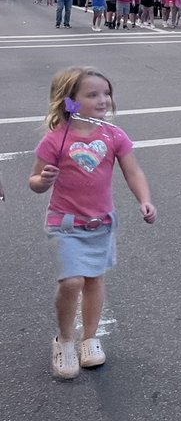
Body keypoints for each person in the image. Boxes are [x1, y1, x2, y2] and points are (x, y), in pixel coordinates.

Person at [28, 67, 156, 380]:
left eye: (106, 93)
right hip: (66, 223)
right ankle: (65, 339)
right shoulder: (55, 140)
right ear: (70, 101)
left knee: (94, 279)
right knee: (72, 281)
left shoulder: (114, 135)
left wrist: (144, 199)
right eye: (92, 94)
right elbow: (34, 181)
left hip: (100, 222)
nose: (103, 100)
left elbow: (132, 171)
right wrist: (43, 180)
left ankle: (89, 338)